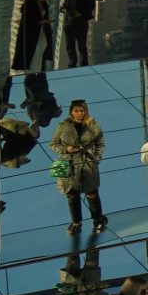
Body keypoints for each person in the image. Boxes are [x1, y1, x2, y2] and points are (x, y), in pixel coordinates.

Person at [51, 98, 106, 231]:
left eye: (82, 110)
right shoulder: (63, 126)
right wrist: (66, 149)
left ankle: (97, 219)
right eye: (76, 111)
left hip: (87, 163)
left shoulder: (93, 125)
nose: (79, 113)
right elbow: (53, 144)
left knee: (91, 193)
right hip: (67, 163)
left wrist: (96, 158)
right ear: (71, 112)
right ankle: (76, 222)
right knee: (72, 195)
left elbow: (100, 143)